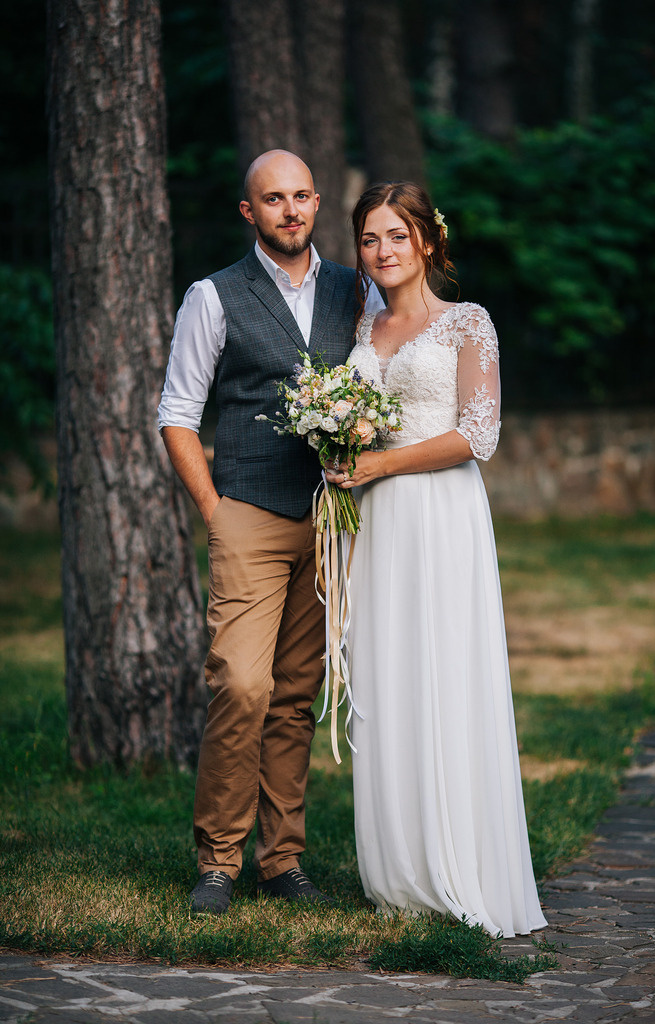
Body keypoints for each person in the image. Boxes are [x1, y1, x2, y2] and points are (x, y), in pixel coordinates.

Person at [158, 149, 381, 915]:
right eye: (273, 199)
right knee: (241, 686)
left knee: (292, 694)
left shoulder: (356, 288)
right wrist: (215, 510)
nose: (290, 210)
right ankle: (218, 860)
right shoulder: (213, 296)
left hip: (327, 517)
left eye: (301, 196)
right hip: (248, 511)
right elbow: (177, 412)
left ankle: (281, 860)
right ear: (248, 212)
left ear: (317, 203)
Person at [326, 181, 548, 938]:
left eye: (396, 235)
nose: (381, 251)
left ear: (426, 240)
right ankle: (399, 872)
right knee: (386, 674)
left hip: (440, 514)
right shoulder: (362, 323)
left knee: (444, 670)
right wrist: (336, 444)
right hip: (374, 523)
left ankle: (461, 863)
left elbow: (476, 434)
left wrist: (380, 464)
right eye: (368, 239)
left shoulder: (467, 322)